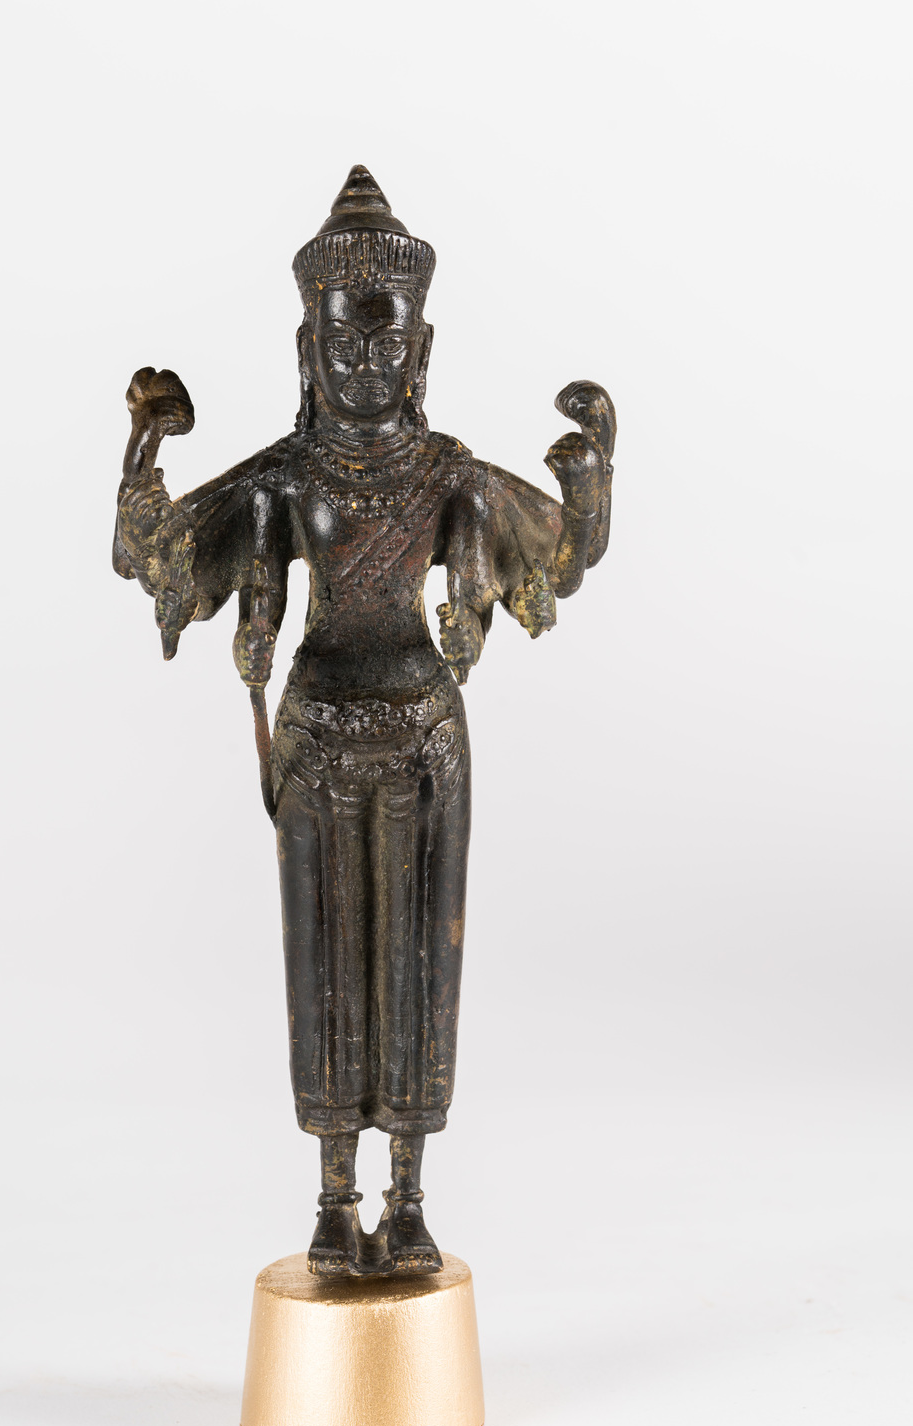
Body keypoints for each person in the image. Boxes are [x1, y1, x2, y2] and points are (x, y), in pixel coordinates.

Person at [113, 166, 615, 1276]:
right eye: (343, 347)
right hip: (317, 739)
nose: (365, 367)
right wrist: (143, 456)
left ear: (421, 353)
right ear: (308, 352)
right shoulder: (287, 475)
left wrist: (592, 477)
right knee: (325, 966)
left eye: (388, 347)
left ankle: (410, 1195)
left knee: (417, 971)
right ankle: (334, 1196)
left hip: (424, 739)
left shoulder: (447, 476)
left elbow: (558, 554)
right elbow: (161, 555)